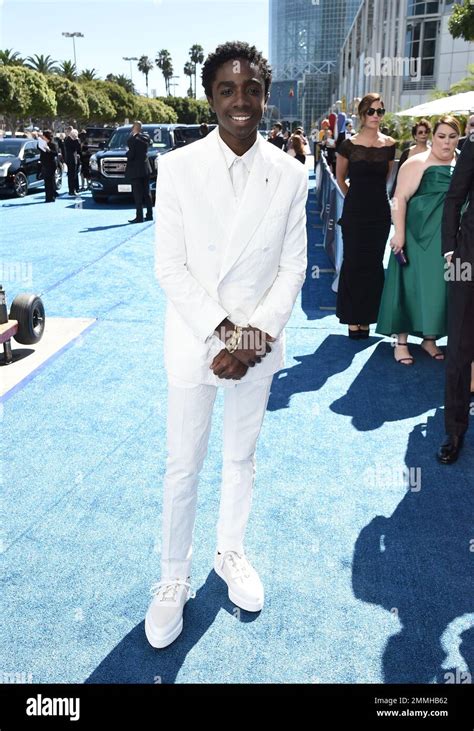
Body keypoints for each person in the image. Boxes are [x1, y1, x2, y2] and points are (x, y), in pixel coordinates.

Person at [145, 40, 307, 649]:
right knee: (182, 466)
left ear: (266, 95)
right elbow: (170, 268)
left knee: (241, 459)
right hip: (196, 345)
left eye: (252, 90)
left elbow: (293, 269)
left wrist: (251, 341)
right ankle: (172, 577)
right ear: (211, 97)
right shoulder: (178, 168)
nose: (241, 102)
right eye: (226, 90)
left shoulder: (291, 173)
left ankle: (230, 552)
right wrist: (223, 332)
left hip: (256, 350)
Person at [377, 116, 460, 364]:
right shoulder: (416, 163)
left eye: (452, 137)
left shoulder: (462, 162)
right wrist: (399, 233)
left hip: (446, 239)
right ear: (433, 136)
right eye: (441, 136)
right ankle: (400, 343)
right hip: (416, 236)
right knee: (409, 285)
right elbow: (399, 198)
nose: (446, 143)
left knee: (438, 288)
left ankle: (429, 338)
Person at [335, 93, 396, 338]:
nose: (376, 116)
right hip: (355, 212)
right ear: (362, 114)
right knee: (353, 262)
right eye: (371, 111)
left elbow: (388, 179)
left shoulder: (390, 144)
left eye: (380, 111)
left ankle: (368, 317)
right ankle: (352, 318)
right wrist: (355, 199)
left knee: (373, 264)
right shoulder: (348, 144)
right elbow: (340, 178)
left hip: (380, 212)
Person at [438, 135, 474, 464]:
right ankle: (455, 428)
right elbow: (454, 199)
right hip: (467, 261)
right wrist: (449, 249)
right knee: (460, 348)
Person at [389, 119, 431, 199]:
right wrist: (394, 197)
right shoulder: (407, 153)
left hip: (426, 193)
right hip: (407, 193)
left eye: (426, 132)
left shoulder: (433, 152)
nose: (424, 134)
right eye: (420, 132)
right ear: (415, 136)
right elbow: (399, 176)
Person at [124, 120, 153, 224]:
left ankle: (139, 216)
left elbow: (131, 155)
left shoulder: (132, 140)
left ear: (134, 128)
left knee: (137, 195)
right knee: (147, 193)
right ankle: (149, 215)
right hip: (145, 168)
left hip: (136, 170)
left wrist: (127, 153)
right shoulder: (146, 138)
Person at [38, 130, 58, 203]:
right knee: (46, 181)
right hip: (44, 164)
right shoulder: (43, 143)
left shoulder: (53, 144)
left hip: (51, 164)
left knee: (51, 180)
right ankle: (47, 197)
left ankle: (52, 196)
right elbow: (39, 148)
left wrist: (49, 150)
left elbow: (55, 153)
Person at [64, 126, 81, 196]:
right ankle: (72, 189)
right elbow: (78, 148)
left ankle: (73, 189)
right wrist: (76, 139)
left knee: (71, 175)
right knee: (72, 175)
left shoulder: (67, 139)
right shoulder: (71, 140)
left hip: (69, 159)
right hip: (72, 159)